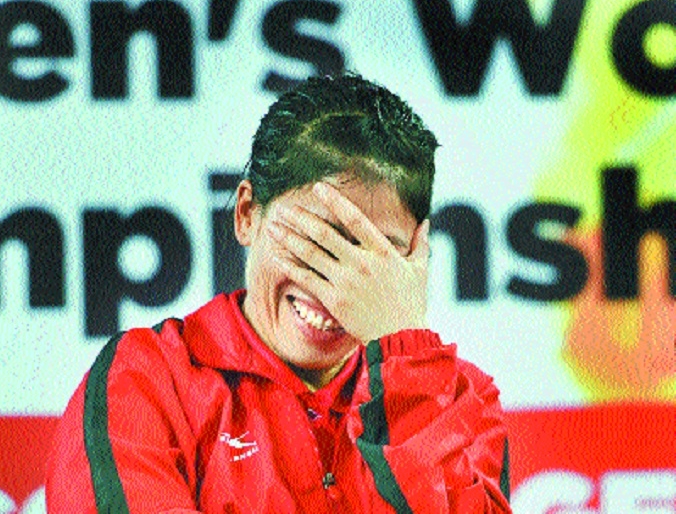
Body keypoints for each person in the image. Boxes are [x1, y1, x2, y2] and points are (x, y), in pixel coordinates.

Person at [46, 73, 512, 513]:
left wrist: (406, 366)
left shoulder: (461, 400)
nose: (337, 286)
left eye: (374, 253)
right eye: (315, 240)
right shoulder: (146, 380)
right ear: (247, 214)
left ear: (415, 253)